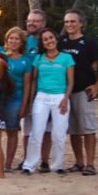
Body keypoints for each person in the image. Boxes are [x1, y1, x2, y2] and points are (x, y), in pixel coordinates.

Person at [60, 9, 98, 176]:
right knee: (73, 130)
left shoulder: (89, 43)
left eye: (73, 21)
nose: (69, 25)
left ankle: (90, 164)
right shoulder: (62, 42)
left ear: (81, 23)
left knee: (88, 128)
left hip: (84, 90)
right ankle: (79, 162)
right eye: (66, 22)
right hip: (66, 92)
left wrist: (97, 85)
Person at [22, 28, 75, 175]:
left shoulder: (66, 58)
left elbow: (71, 82)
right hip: (42, 97)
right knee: (36, 133)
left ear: (56, 39)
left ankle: (58, 165)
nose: (49, 41)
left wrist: (65, 99)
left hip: (60, 97)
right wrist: (31, 101)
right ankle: (29, 165)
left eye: (51, 38)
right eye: (45, 39)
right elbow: (33, 81)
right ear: (42, 43)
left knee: (59, 134)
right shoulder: (38, 59)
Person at [20, 9, 52, 170]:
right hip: (27, 89)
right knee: (27, 128)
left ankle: (44, 161)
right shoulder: (23, 40)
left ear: (43, 23)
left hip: (47, 89)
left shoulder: (49, 40)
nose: (31, 23)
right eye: (29, 20)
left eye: (36, 20)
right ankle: (27, 159)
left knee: (46, 128)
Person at [1, 27, 32, 172]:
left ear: (21, 42)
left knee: (12, 131)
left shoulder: (26, 61)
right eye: (10, 38)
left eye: (16, 39)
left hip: (16, 99)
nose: (13, 41)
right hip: (1, 98)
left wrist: (24, 105)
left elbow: (27, 85)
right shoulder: (2, 57)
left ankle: (8, 163)